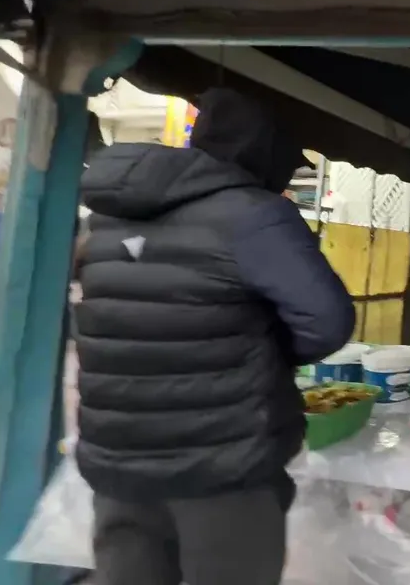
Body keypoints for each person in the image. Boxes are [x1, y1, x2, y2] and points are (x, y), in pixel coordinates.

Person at [75, 88, 356, 585]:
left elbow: (93, 315)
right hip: (223, 467)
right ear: (263, 153)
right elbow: (327, 321)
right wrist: (264, 354)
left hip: (118, 462)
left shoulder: (109, 216)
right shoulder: (253, 214)